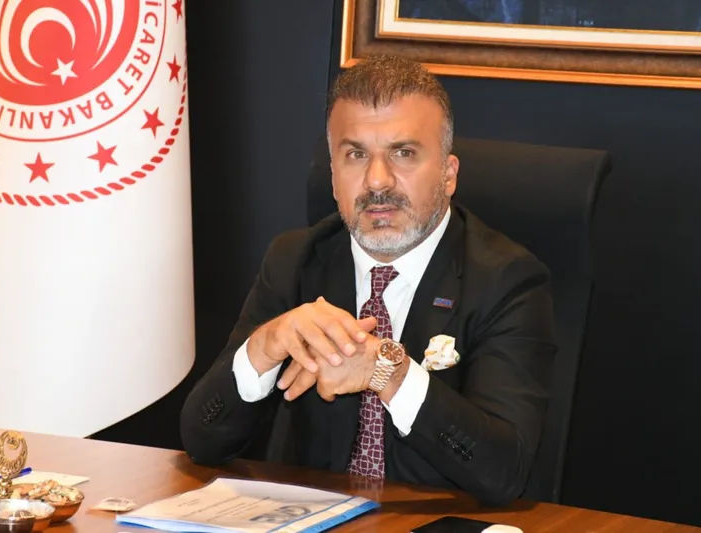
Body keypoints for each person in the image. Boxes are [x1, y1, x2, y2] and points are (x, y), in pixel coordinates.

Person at [180, 55, 556, 506]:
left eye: (403, 153)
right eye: (356, 155)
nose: (378, 181)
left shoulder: (506, 279)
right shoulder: (294, 261)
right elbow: (201, 442)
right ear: (333, 177)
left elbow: (505, 472)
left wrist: (388, 373)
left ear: (448, 174)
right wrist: (262, 348)